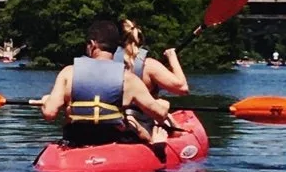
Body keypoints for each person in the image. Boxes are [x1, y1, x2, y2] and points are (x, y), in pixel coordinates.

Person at [39, 17, 171, 146]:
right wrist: (163, 106)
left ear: (92, 44)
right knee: (136, 126)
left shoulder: (68, 72)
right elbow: (159, 115)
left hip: (76, 139)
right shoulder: (129, 79)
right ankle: (157, 143)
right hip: (113, 140)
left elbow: (49, 114)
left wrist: (47, 101)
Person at [118, 17, 188, 103]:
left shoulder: (106, 61)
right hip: (143, 114)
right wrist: (172, 57)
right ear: (139, 38)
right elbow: (183, 88)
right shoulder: (149, 65)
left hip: (117, 114)